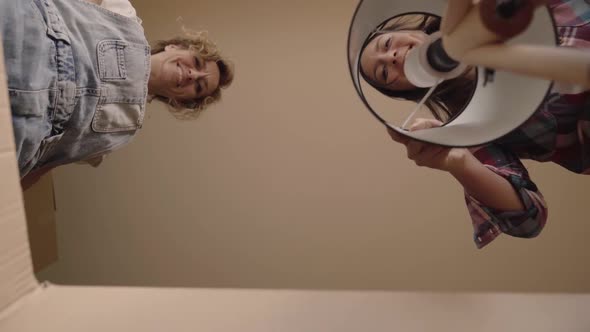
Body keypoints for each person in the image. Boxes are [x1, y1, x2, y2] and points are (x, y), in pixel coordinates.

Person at [359, 0, 590, 248]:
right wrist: (459, 163)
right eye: (383, 72)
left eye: (387, 44)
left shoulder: (485, 11)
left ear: (408, 30)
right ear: (406, 91)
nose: (391, 57)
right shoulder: (470, 128)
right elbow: (528, 221)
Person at [1, 0, 234, 189]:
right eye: (196, 61)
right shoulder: (123, 13)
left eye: (199, 87)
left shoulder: (118, 137)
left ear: (179, 101)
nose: (193, 74)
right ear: (174, 46)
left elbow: (43, 165)